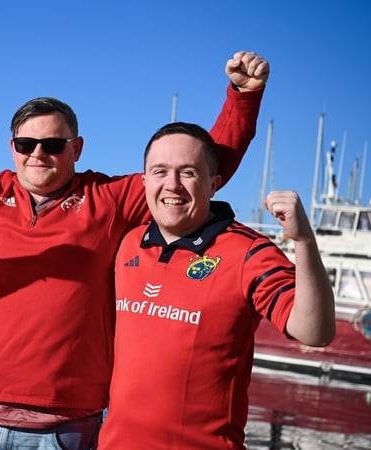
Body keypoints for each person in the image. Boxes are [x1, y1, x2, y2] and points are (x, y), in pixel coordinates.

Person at [0, 51, 270, 450]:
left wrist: (243, 98)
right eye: (26, 144)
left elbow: (200, 167)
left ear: (76, 149)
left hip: (67, 431)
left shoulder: (109, 199)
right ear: (13, 148)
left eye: (53, 145)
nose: (38, 154)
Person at [99, 122, 335, 448]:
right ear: (144, 182)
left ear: (213, 184)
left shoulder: (248, 252)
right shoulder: (128, 245)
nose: (173, 185)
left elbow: (314, 332)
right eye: (160, 171)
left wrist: (304, 241)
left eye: (188, 173)